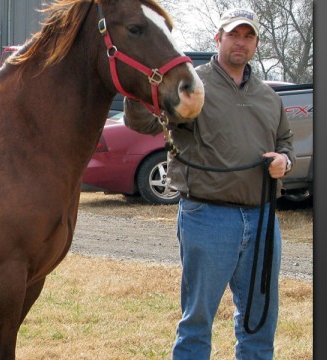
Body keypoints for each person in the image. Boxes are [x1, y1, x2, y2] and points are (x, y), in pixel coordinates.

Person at [123, 7, 295, 360]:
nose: (240, 42)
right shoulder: (191, 86)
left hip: (263, 220)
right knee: (197, 322)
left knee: (260, 322)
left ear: (256, 44)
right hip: (208, 217)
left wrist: (284, 160)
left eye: (248, 36)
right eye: (234, 34)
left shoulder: (269, 96)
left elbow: (285, 142)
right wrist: (136, 92)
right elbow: (147, 124)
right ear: (218, 38)